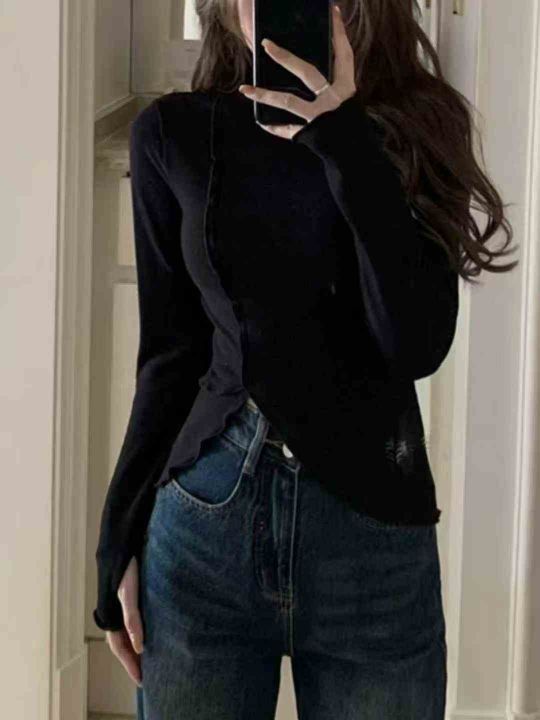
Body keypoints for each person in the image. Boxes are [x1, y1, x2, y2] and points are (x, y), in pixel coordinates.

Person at [94, 1, 517, 717]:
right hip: (202, 537)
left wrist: (342, 138)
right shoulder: (173, 133)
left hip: (373, 548)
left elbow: (416, 343)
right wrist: (117, 541)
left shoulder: (415, 124)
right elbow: (171, 356)